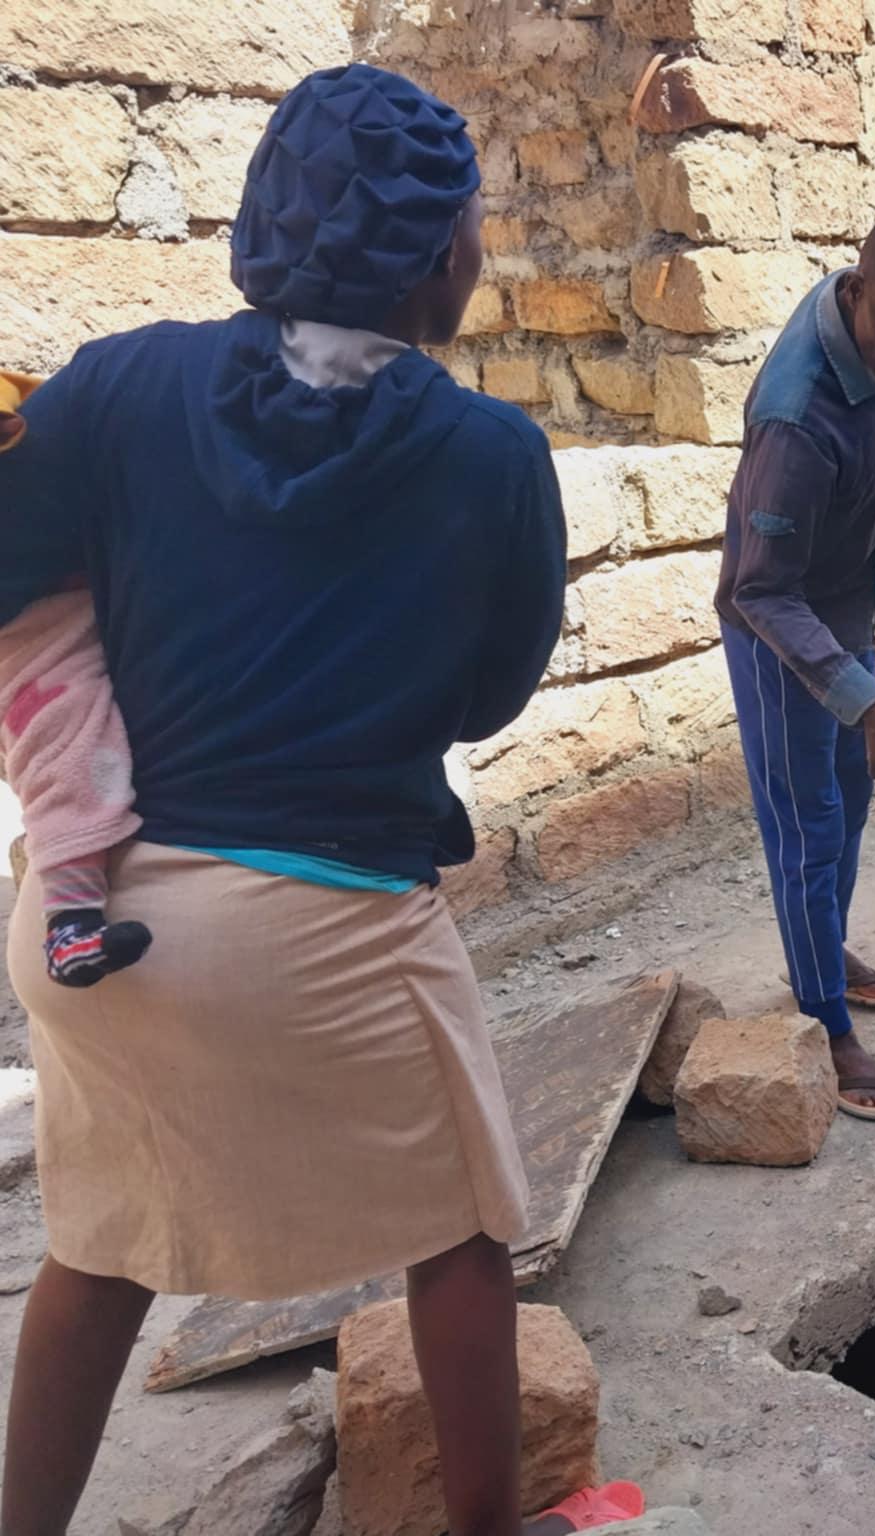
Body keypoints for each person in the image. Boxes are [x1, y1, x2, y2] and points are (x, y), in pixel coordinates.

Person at [0, 65, 640, 1534]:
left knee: (95, 1247)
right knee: (466, 1233)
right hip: (324, 926)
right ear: (433, 258)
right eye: (471, 229)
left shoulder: (112, 388)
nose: (479, 253)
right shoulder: (490, 457)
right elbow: (484, 698)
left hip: (89, 919)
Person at [714, 208, 875, 1122]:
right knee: (806, 827)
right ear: (860, 295)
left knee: (852, 804)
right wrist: (869, 703)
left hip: (841, 611)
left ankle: (820, 952)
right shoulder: (796, 415)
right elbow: (761, 590)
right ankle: (825, 1025)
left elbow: (866, 495)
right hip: (778, 630)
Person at [0, 372, 154, 988]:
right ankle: (70, 924)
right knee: (72, 755)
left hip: (73, 598)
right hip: (34, 637)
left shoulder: (50, 401)